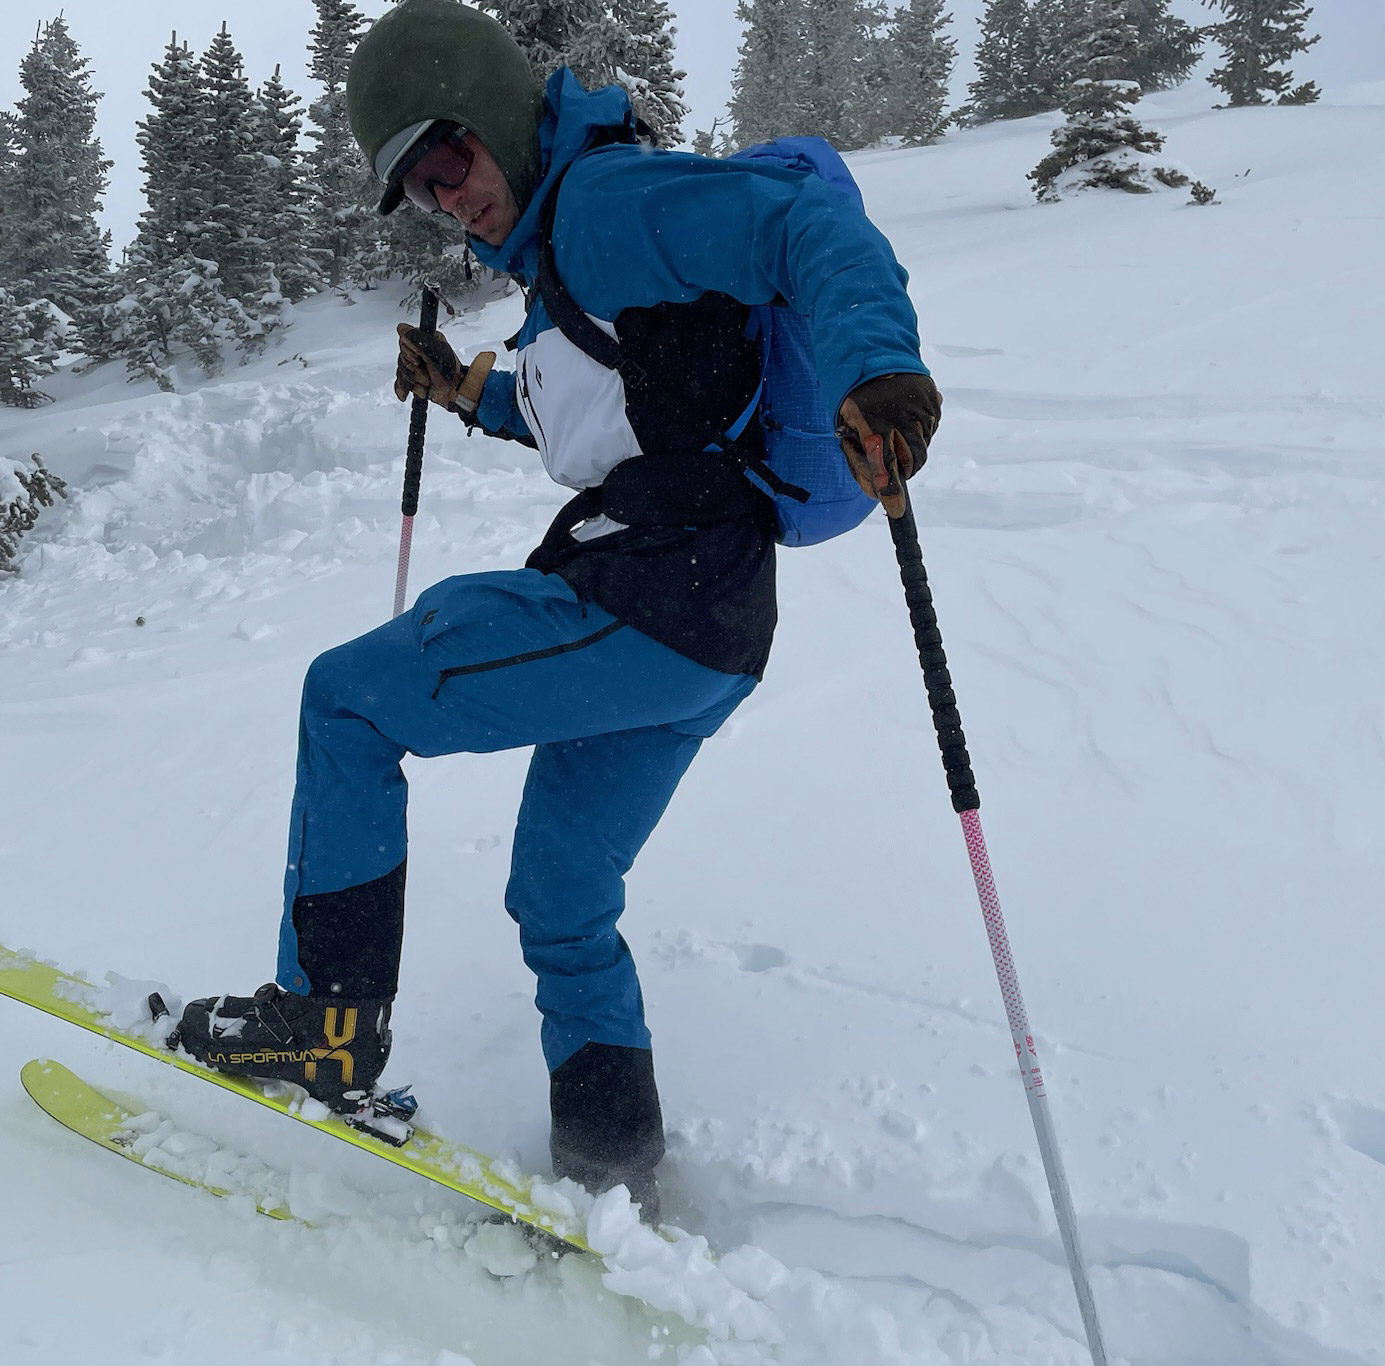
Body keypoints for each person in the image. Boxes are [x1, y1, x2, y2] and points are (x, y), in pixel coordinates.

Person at [172, 0, 940, 1225]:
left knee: (349, 701)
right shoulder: (563, 267)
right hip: (708, 628)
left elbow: (804, 226)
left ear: (498, 114)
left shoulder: (607, 204)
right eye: (420, 189)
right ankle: (612, 1170)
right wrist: (463, 392)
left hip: (654, 595)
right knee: (564, 894)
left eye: (451, 158)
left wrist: (877, 365)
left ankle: (322, 1024)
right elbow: (594, 415)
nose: (448, 199)